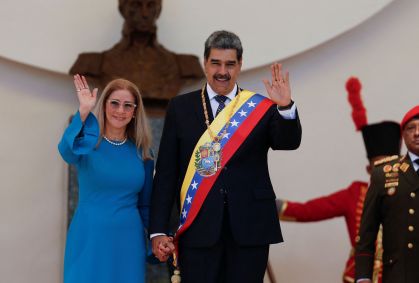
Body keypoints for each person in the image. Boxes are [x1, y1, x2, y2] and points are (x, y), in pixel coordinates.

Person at [149, 30, 302, 283]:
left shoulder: (259, 108)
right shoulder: (181, 108)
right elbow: (166, 173)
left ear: (240, 65)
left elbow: (288, 142)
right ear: (204, 63)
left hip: (250, 227)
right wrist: (157, 230)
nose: (223, 71)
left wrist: (285, 107)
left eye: (230, 64)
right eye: (216, 63)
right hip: (198, 227)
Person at [276, 77, 401, 283]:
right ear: (369, 169)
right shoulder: (355, 194)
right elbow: (310, 210)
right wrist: (268, 205)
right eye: (379, 166)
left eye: (391, 164)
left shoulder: (412, 191)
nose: (386, 171)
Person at [58, 75, 154, 283]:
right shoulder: (87, 144)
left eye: (128, 105)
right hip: (89, 237)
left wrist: (157, 237)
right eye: (115, 103)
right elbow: (65, 151)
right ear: (104, 106)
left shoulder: (143, 153)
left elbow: (145, 205)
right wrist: (84, 111)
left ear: (135, 112)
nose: (120, 111)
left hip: (128, 241)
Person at [69, 0, 204, 112]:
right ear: (123, 9)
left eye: (150, 5)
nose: (144, 13)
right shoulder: (90, 63)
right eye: (136, 5)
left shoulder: (186, 65)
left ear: (158, 10)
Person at [355, 105, 419, 283]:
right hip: (400, 274)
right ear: (403, 136)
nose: (417, 133)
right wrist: (362, 277)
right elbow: (367, 232)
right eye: (411, 128)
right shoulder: (383, 173)